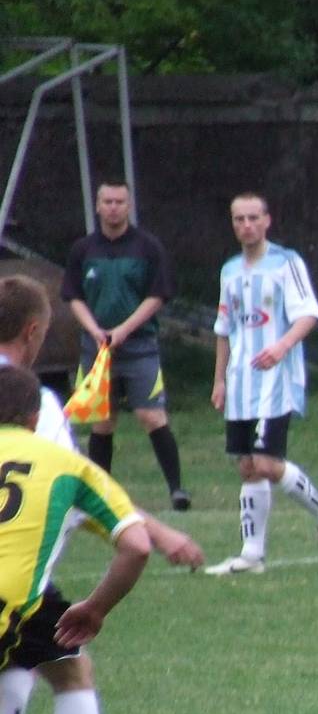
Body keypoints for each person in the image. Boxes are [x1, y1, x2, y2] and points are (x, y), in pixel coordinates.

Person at [0, 274, 203, 714]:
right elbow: (72, 495)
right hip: (20, 584)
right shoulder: (36, 403)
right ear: (34, 332)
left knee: (19, 662)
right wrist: (157, 531)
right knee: (68, 667)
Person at [0, 365, 153, 714]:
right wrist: (96, 608)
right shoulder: (67, 464)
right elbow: (137, 545)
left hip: (19, 611)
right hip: (14, 601)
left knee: (32, 663)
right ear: (34, 418)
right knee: (68, 670)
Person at [205, 192, 318, 576]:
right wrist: (219, 380)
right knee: (248, 466)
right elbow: (224, 329)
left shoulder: (286, 263)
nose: (246, 225)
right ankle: (252, 555)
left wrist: (282, 346)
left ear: (267, 220)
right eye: (239, 219)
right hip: (240, 383)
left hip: (275, 381)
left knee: (267, 462)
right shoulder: (230, 271)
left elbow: (309, 314)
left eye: (253, 218)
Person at [61, 179, 190, 510]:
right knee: (103, 419)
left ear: (129, 206)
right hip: (96, 348)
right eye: (108, 201)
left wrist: (123, 330)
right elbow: (73, 295)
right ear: (98, 205)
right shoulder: (83, 249)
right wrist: (95, 330)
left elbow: (158, 294)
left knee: (151, 414)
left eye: (120, 202)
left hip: (139, 346)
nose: (114, 208)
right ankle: (100, 494)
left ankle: (177, 489)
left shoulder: (147, 247)